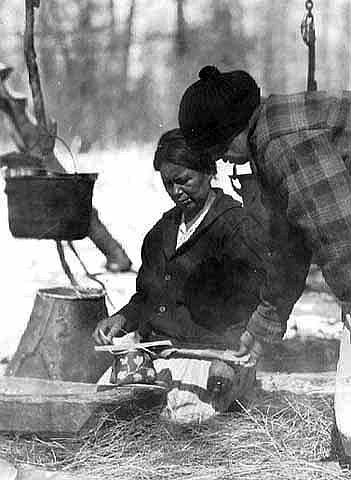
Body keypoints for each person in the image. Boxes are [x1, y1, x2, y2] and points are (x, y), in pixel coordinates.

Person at [178, 65, 351, 453]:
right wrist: (260, 331)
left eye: (219, 150)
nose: (222, 161)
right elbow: (290, 248)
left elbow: (341, 235)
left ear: (231, 131)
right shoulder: (266, 135)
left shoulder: (282, 143)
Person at [93, 128, 266, 419]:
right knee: (104, 409)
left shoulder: (235, 228)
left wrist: (230, 359)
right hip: (159, 355)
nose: (176, 192)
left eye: (184, 181)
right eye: (168, 183)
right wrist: (122, 318)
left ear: (209, 170)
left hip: (213, 358)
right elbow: (148, 296)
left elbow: (253, 303)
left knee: (177, 422)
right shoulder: (162, 232)